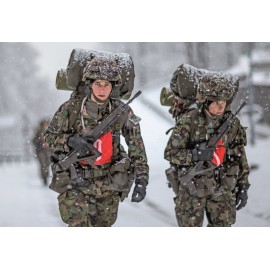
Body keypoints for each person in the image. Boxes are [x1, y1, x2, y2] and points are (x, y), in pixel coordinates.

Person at [45, 56, 149, 227]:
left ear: (113, 86)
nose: (102, 89)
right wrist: (70, 140)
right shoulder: (71, 108)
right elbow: (49, 137)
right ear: (89, 84)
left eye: (106, 84)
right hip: (75, 183)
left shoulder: (122, 110)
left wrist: (142, 179)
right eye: (98, 84)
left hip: (107, 185)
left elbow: (136, 147)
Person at [164, 73, 250, 227]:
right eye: (216, 102)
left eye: (223, 102)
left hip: (222, 188)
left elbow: (240, 157)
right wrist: (195, 155)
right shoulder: (189, 120)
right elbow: (171, 153)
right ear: (206, 102)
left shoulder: (231, 123)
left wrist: (243, 185)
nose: (221, 107)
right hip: (192, 188)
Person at [32, 119, 51, 185]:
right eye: (45, 124)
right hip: (41, 151)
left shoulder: (50, 131)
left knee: (47, 164)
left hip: (48, 151)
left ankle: (46, 175)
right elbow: (34, 141)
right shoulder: (38, 132)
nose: (46, 125)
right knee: (43, 165)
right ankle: (44, 178)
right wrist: (40, 143)